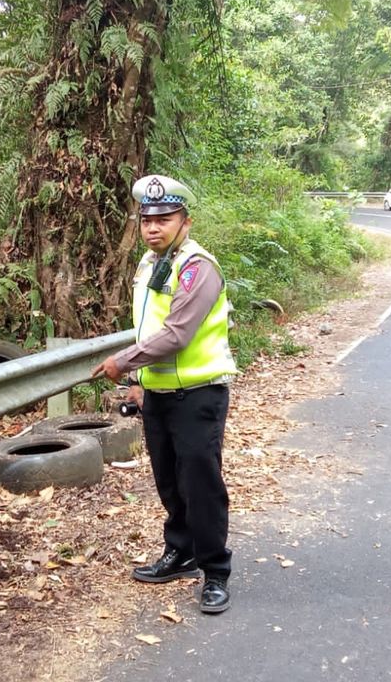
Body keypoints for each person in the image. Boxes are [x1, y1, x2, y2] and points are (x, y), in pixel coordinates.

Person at [92, 175, 239, 615]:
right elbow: (146, 326)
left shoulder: (198, 268)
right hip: (157, 394)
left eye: (165, 219)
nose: (154, 227)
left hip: (198, 394)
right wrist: (137, 383)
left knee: (201, 483)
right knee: (169, 481)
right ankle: (181, 552)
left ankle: (215, 570)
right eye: (147, 220)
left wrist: (123, 362)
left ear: (185, 222)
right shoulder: (148, 264)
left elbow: (176, 335)